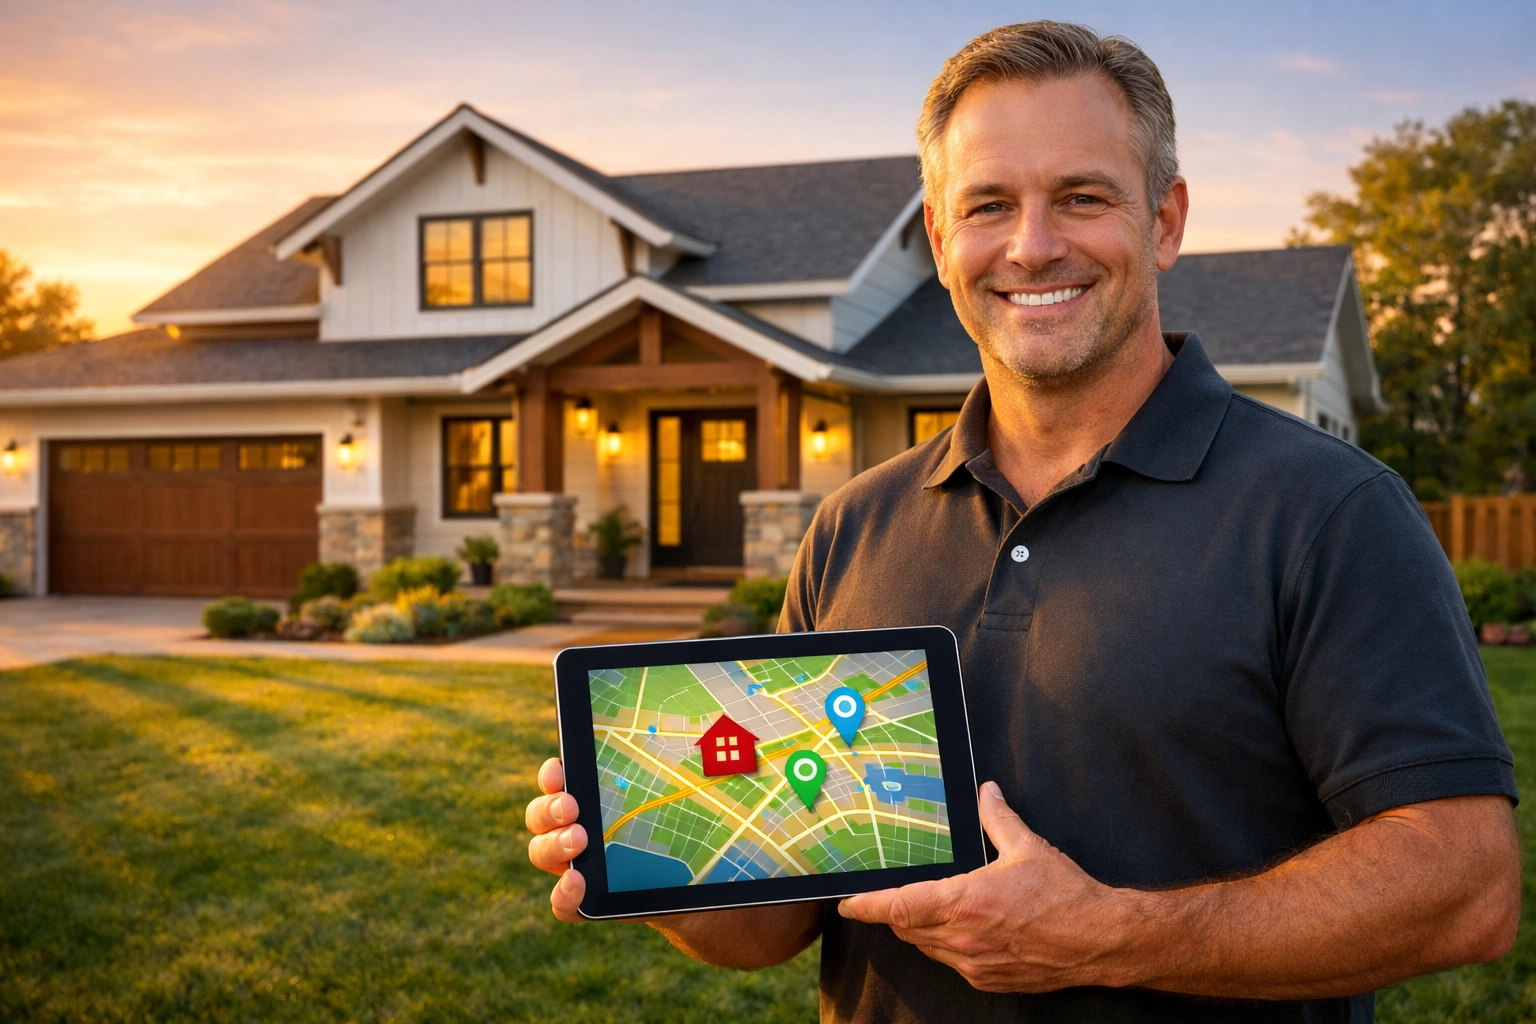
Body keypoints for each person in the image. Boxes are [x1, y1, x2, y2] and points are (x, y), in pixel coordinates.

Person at [527, 21, 1520, 1022]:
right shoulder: (853, 526)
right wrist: (648, 861)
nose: (1032, 245)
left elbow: (1467, 888)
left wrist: (1111, 936)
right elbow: (783, 922)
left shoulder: (1328, 510)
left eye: (1082, 198)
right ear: (940, 239)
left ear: (1165, 221)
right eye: (989, 205)